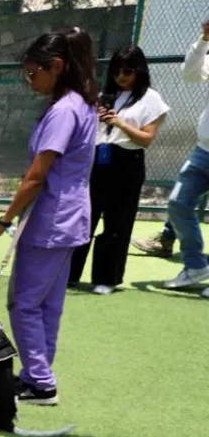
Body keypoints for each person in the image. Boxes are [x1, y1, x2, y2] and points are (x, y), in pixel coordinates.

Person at [0, 28, 98, 405]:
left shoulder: (64, 111)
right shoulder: (82, 102)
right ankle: (38, 376)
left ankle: (41, 382)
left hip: (51, 219)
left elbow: (36, 176)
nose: (30, 80)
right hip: (71, 217)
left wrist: (3, 222)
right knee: (48, 303)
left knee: (24, 303)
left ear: (57, 66)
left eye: (34, 73)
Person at [69, 45, 169, 293]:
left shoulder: (152, 99)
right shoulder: (106, 95)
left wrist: (119, 122)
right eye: (116, 71)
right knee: (84, 219)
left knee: (117, 223)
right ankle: (69, 274)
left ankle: (106, 279)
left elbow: (146, 139)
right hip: (98, 160)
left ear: (139, 71)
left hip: (127, 162)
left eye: (127, 71)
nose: (121, 76)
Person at [162, 18, 209, 295]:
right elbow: (190, 73)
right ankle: (195, 266)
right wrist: (204, 39)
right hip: (203, 151)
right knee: (178, 203)